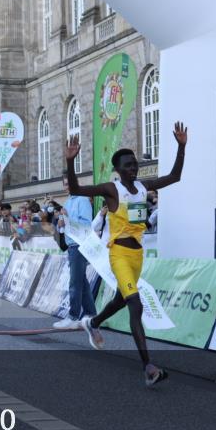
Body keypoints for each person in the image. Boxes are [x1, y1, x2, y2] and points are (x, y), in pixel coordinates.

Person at [67, 122, 189, 387]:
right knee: (136, 304)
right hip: (119, 254)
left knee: (121, 299)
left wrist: (182, 147)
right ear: (118, 170)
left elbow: (174, 176)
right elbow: (76, 190)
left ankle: (93, 322)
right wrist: (70, 162)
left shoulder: (143, 188)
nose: (133, 169)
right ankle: (148, 367)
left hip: (137, 256)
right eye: (128, 166)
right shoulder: (112, 190)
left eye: (135, 165)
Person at [53, 177, 95, 330]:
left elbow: (86, 224)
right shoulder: (67, 202)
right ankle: (91, 315)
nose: (67, 186)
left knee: (75, 283)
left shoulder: (83, 200)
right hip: (72, 245)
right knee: (81, 282)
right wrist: (61, 224)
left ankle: (73, 317)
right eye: (65, 184)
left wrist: (68, 218)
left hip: (79, 244)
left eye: (69, 183)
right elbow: (64, 226)